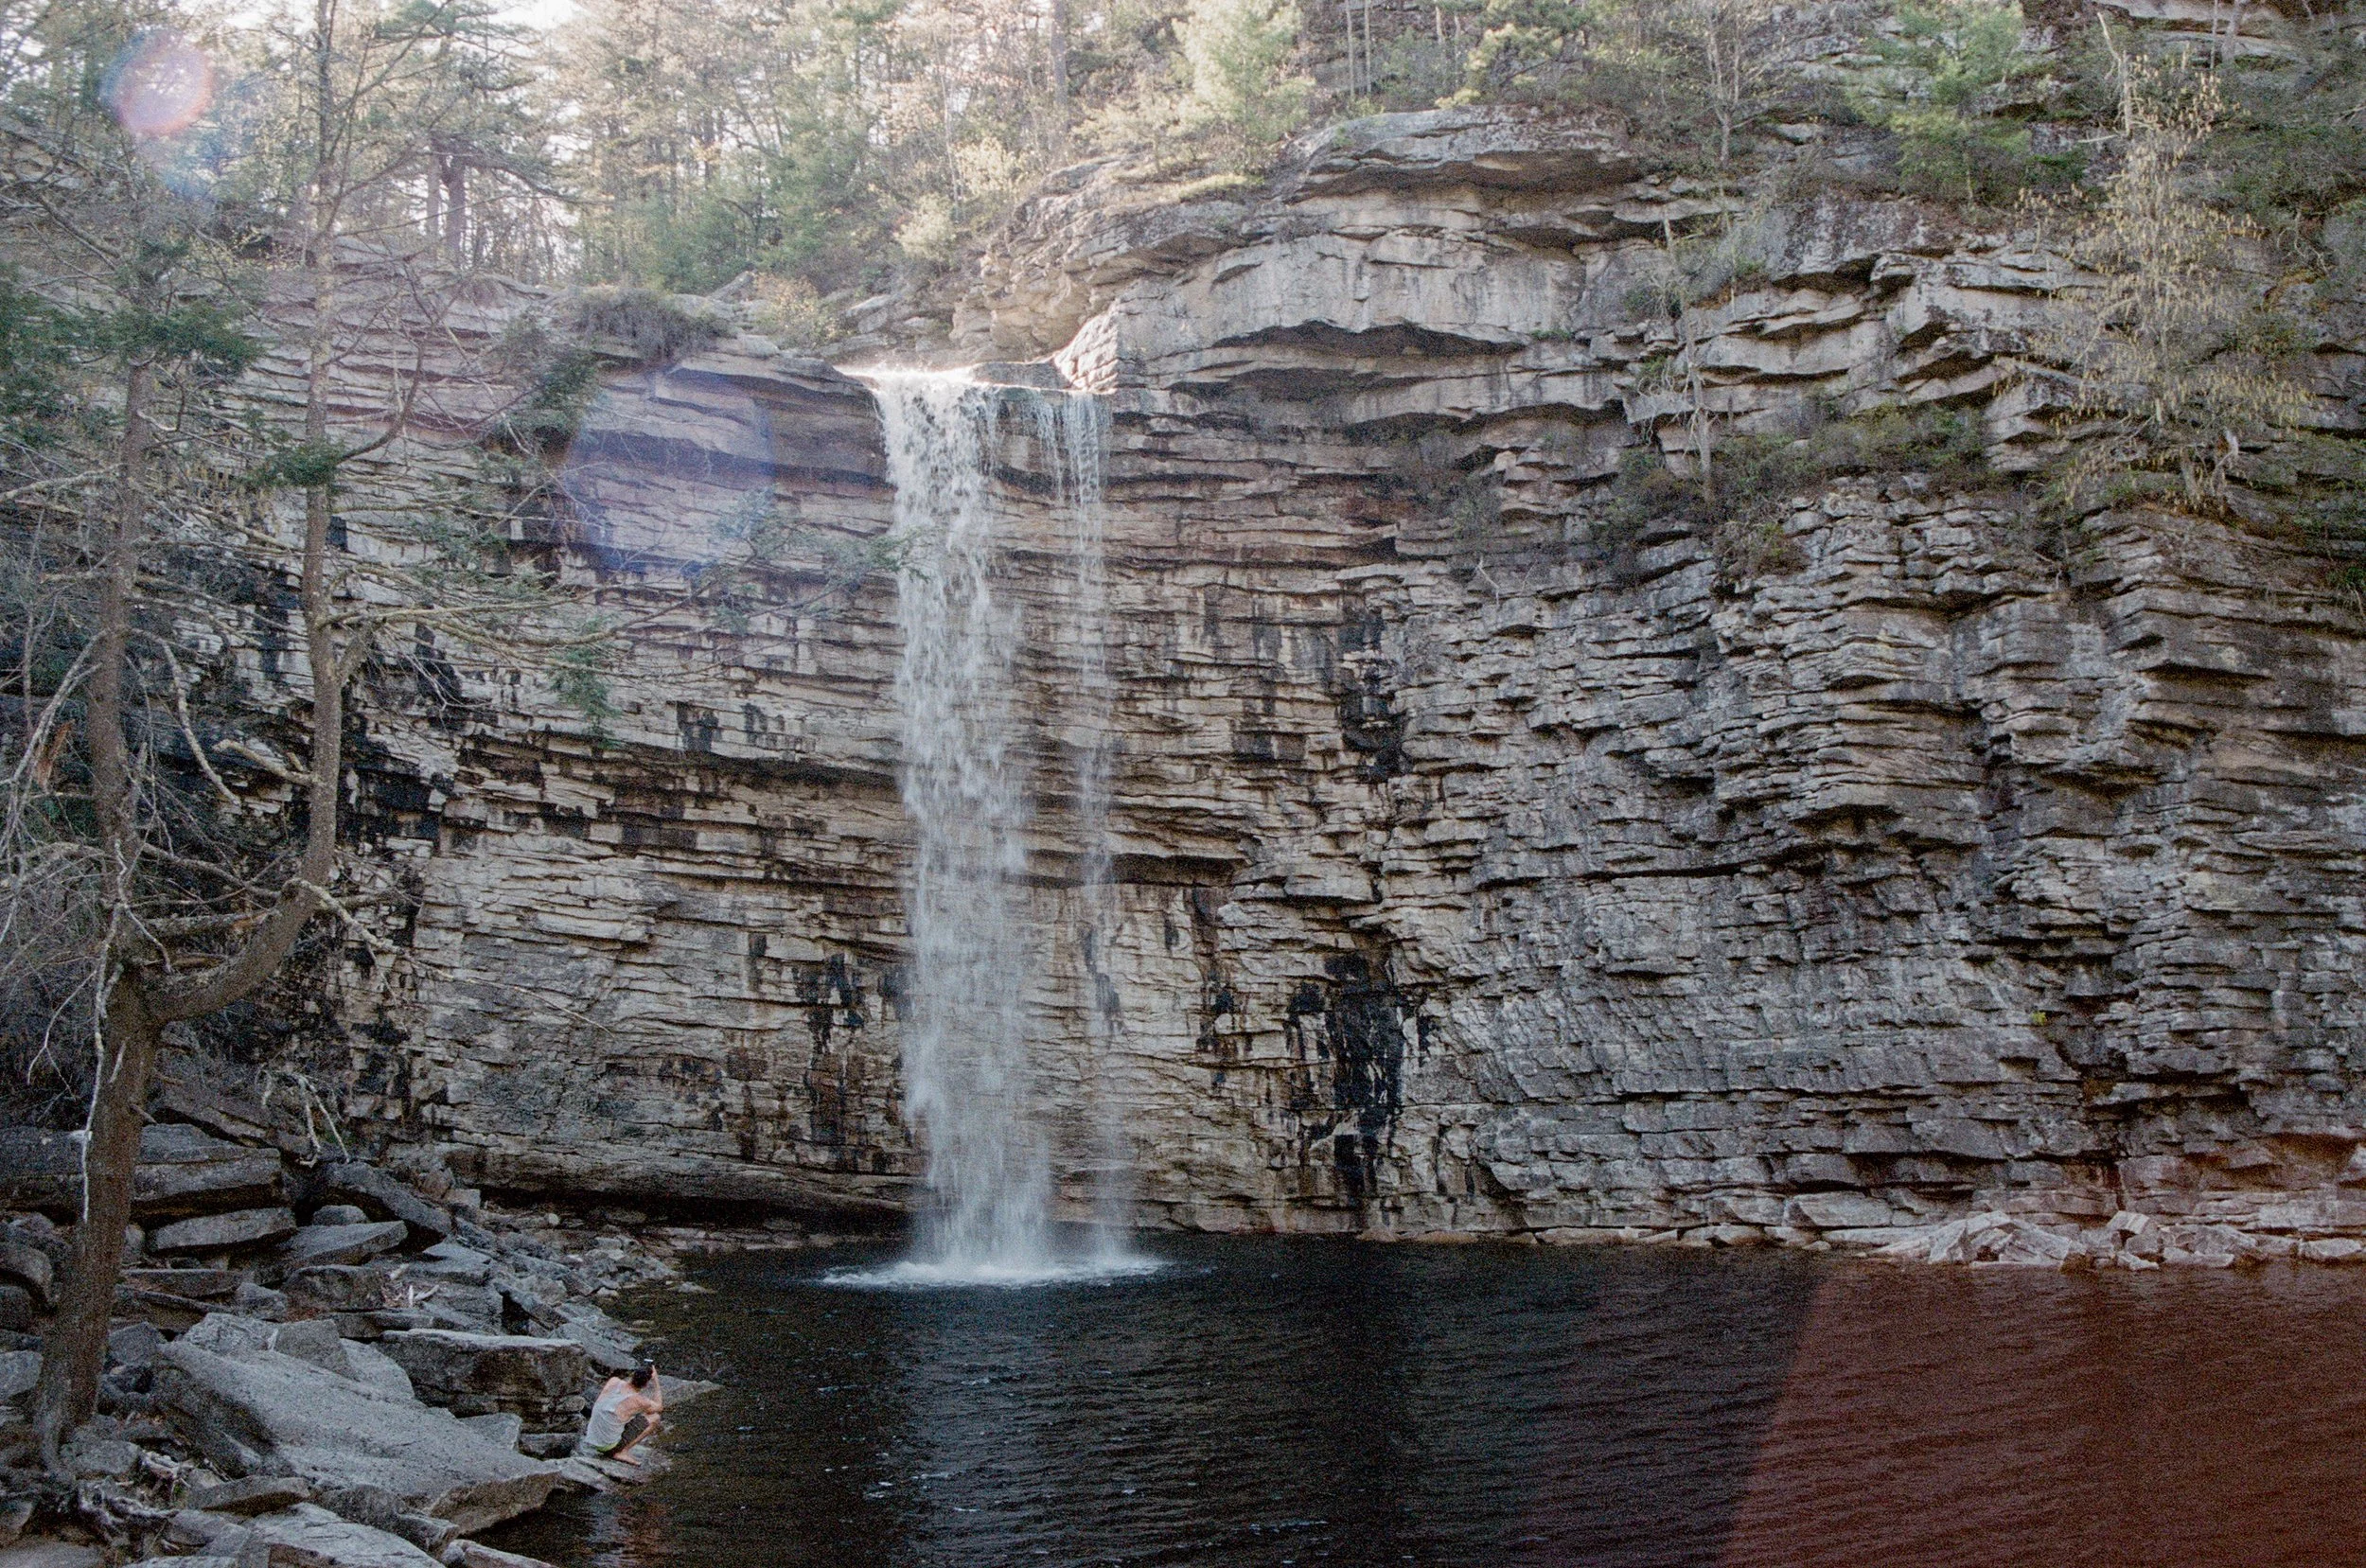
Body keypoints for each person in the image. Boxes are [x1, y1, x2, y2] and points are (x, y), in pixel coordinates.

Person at [582, 1361, 663, 1464]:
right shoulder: (640, 1401)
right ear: (646, 1384)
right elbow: (659, 1407)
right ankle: (622, 1452)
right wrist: (656, 1381)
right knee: (654, 1417)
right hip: (608, 1447)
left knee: (625, 1413)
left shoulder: (614, 1381)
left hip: (593, 1439)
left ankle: (614, 1442)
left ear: (632, 1375)